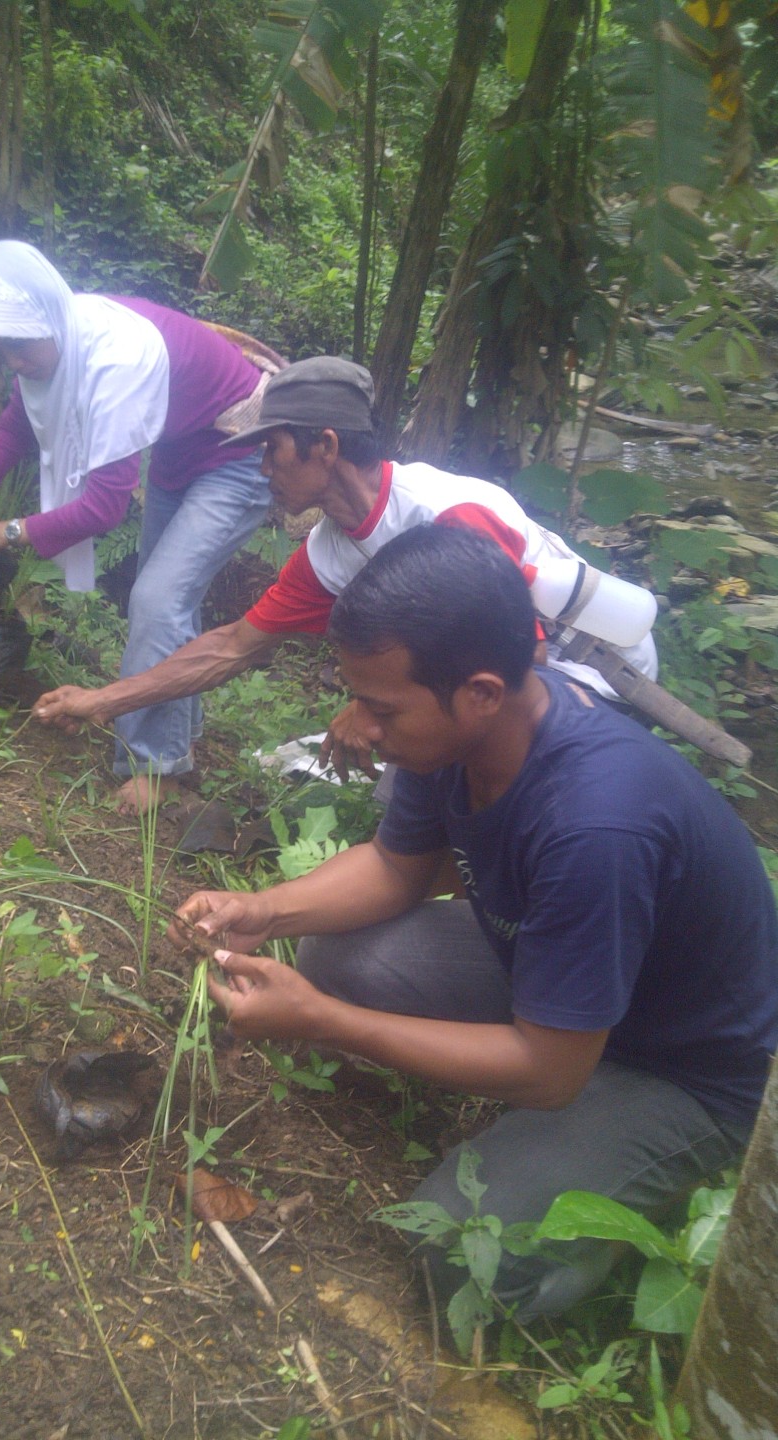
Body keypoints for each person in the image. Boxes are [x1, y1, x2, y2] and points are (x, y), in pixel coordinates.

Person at [167, 524, 778, 1322]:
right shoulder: (454, 741)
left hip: (684, 1064)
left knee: (463, 1256)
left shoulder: (597, 823)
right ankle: (564, 1129)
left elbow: (549, 1070)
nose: (362, 726)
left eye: (381, 707)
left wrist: (322, 1022)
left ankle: (640, 1181)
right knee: (340, 955)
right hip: (557, 973)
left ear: (481, 691)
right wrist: (263, 909)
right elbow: (397, 867)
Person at [33, 357, 658, 790]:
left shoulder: (448, 515)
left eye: (271, 449)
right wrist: (102, 701)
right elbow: (230, 648)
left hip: (583, 674)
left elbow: (522, 670)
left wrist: (372, 710)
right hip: (482, 682)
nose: (262, 471)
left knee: (458, 757)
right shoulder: (330, 551)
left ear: (325, 447)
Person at [0, 240, 274, 814]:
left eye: (19, 348)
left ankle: (159, 767)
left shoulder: (114, 363)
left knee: (157, 598)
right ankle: (180, 734)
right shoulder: (54, 339)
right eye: (3, 354)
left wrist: (10, 532)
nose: (14, 363)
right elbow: (22, 412)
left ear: (46, 322)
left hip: (241, 452)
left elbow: (104, 509)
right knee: (167, 596)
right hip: (180, 446)